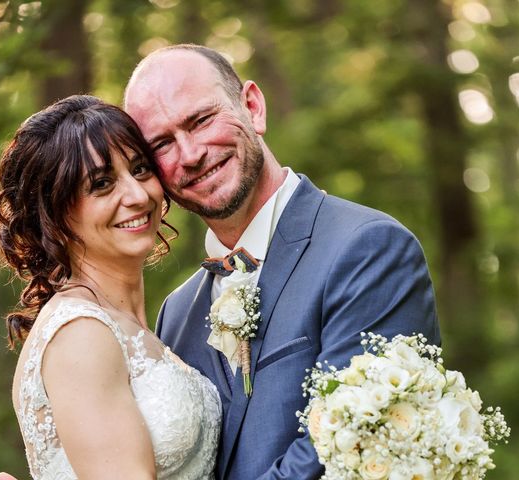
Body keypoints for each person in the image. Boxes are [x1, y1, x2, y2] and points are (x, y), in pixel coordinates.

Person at [121, 44, 441, 479]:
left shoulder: (368, 250)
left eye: (201, 120)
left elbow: (345, 452)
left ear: (252, 107)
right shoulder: (175, 314)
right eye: (162, 143)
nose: (191, 154)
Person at [0, 95, 221, 480]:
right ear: (54, 213)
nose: (136, 196)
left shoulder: (131, 325)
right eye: (101, 184)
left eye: (140, 169)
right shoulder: (80, 334)